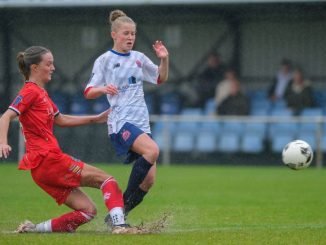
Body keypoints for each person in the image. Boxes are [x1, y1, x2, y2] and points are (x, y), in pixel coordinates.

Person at [0, 46, 141, 234]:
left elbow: (61, 119)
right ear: (34, 68)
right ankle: (120, 226)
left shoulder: (41, 94)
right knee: (107, 180)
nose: (53, 68)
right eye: (48, 64)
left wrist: (95, 118)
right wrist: (3, 142)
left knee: (87, 211)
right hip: (48, 159)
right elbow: (6, 116)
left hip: (40, 170)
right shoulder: (30, 92)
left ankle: (33, 229)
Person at [83, 10, 169, 221]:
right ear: (114, 34)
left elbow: (159, 78)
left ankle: (117, 215)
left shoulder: (139, 58)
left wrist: (164, 60)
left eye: (133, 34)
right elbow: (88, 91)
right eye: (126, 33)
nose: (130, 37)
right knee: (153, 150)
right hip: (121, 121)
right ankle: (118, 213)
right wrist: (103, 89)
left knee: (148, 180)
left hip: (141, 123)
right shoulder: (104, 60)